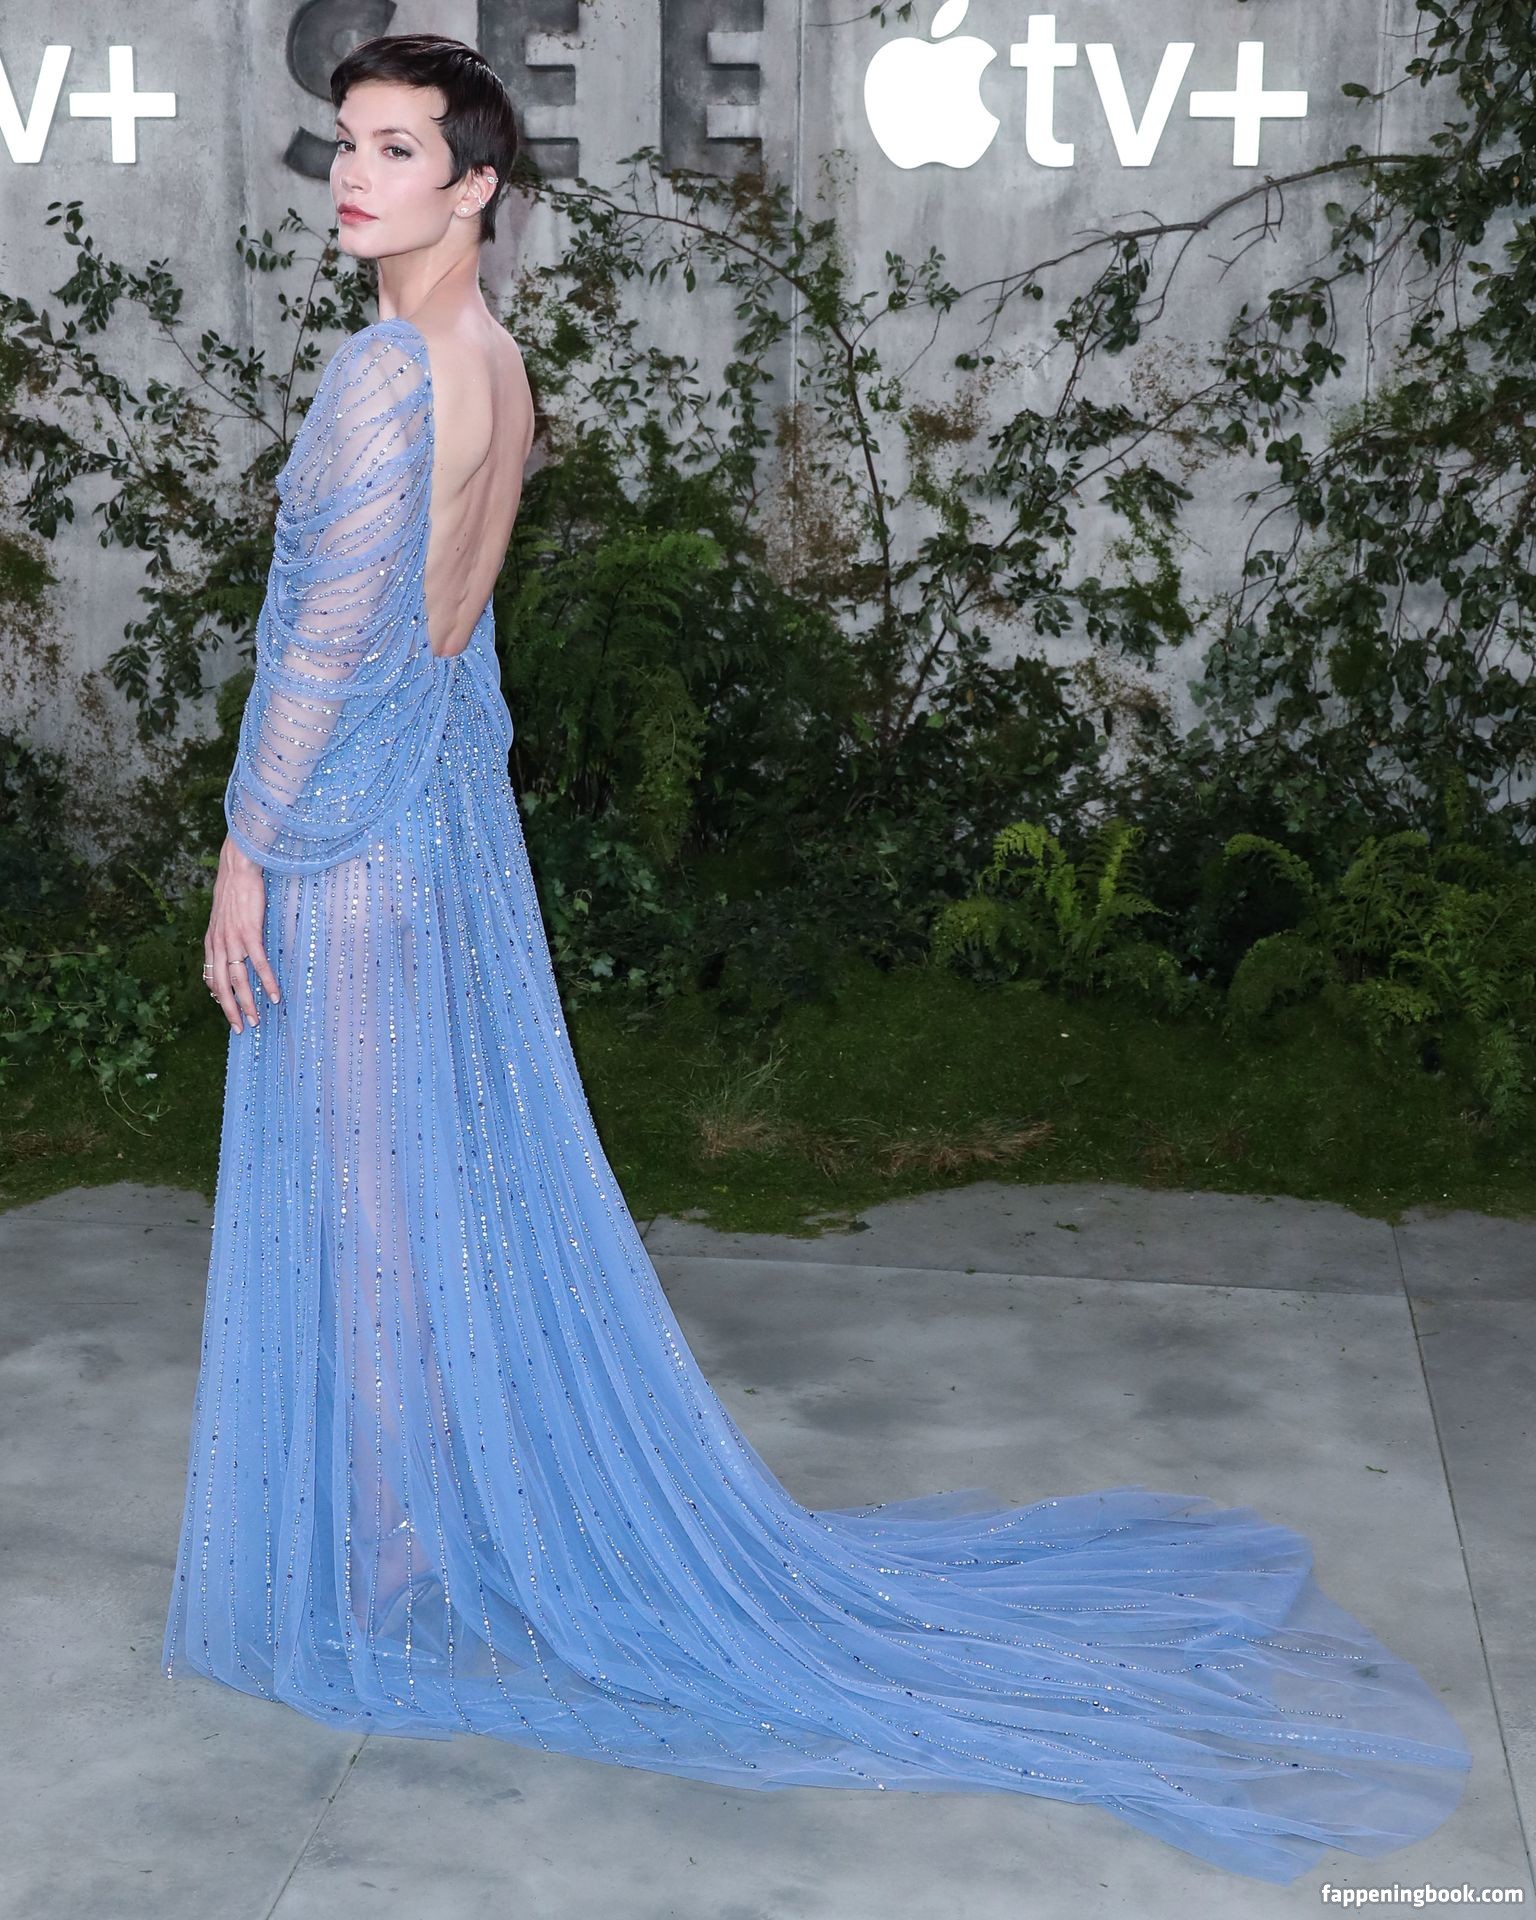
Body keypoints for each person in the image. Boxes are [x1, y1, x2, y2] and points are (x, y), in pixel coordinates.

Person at [161, 32, 1472, 1885]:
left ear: (475, 188)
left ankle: (385, 1568)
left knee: (370, 1205)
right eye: (346, 142)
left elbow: (323, 645)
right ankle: (421, 1533)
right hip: (429, 841)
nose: (354, 176)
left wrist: (248, 851)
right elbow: (454, 648)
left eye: (396, 149)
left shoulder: (387, 374)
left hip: (352, 851)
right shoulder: (495, 365)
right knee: (415, 1191)